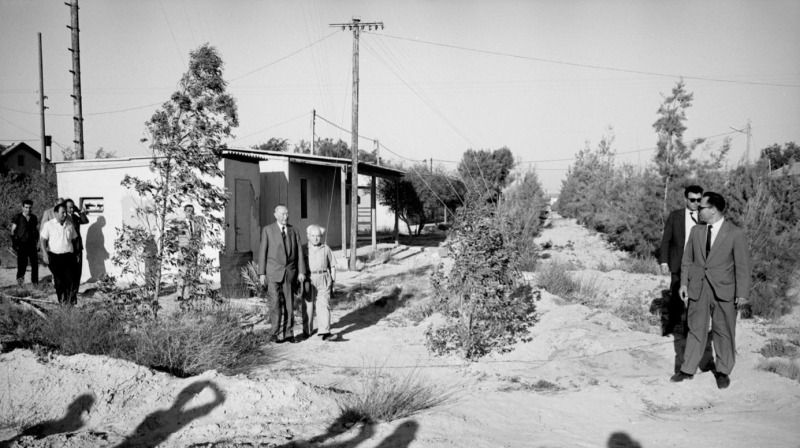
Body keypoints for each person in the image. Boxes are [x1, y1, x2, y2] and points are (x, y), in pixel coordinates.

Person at [671, 192, 751, 389]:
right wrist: (683, 284)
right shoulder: (697, 231)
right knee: (695, 328)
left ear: (713, 209)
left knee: (723, 331)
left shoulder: (735, 233)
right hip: (699, 288)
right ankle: (687, 369)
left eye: (701, 207)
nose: (697, 210)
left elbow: (743, 266)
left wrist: (742, 294)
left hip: (725, 291)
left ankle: (723, 372)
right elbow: (687, 260)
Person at [658, 185, 713, 374]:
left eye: (699, 200)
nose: (696, 203)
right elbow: (666, 240)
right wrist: (664, 261)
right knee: (675, 296)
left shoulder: (705, 217)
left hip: (698, 265)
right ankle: (672, 329)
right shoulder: (675, 216)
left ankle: (694, 332)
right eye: (692, 200)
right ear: (686, 199)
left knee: (697, 299)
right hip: (677, 263)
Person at [258, 204, 307, 343]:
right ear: (275, 215)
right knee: (275, 304)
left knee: (289, 305)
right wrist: (261, 273)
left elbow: (299, 253)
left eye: (287, 214)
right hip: (273, 273)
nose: (286, 217)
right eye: (282, 214)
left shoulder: (294, 230)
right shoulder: (268, 230)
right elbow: (263, 252)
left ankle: (289, 334)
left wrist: (301, 271)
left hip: (289, 273)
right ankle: (274, 333)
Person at [40, 202, 78, 304]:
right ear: (56, 213)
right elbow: (43, 240)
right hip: (55, 257)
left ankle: (69, 302)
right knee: (59, 280)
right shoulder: (49, 225)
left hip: (69, 256)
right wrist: (44, 253)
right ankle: (62, 301)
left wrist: (76, 254)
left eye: (65, 212)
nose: (65, 215)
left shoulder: (69, 224)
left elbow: (75, 239)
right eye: (62, 213)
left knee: (69, 280)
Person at [303, 224, 337, 341]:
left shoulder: (326, 248)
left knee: (324, 305)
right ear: (308, 236)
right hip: (309, 279)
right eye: (313, 236)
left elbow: (332, 266)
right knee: (308, 306)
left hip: (323, 277)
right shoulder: (304, 249)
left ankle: (325, 331)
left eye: (318, 236)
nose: (316, 238)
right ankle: (307, 330)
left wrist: (333, 281)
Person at [176, 204, 203, 301]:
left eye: (192, 210)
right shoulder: (180, 223)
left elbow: (199, 237)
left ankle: (190, 293)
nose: (190, 212)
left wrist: (196, 248)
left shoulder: (196, 223)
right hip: (183, 251)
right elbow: (177, 237)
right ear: (184, 211)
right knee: (182, 272)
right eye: (188, 210)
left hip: (193, 251)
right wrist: (182, 248)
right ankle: (180, 294)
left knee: (192, 272)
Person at [10, 199, 40, 286]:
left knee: (35, 264)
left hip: (32, 244)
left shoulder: (34, 218)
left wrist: (37, 242)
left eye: (30, 208)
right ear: (22, 207)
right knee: (22, 264)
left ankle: (35, 283)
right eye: (26, 207)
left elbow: (36, 230)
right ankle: (20, 282)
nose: (28, 209)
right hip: (21, 244)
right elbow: (12, 231)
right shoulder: (18, 217)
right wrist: (14, 244)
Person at [65, 198, 89, 302]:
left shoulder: (75, 217)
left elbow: (85, 221)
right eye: (69, 207)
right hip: (68, 248)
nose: (71, 209)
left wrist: (80, 212)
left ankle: (74, 293)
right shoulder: (63, 219)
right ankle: (68, 293)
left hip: (78, 247)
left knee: (77, 272)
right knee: (69, 272)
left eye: (72, 207)